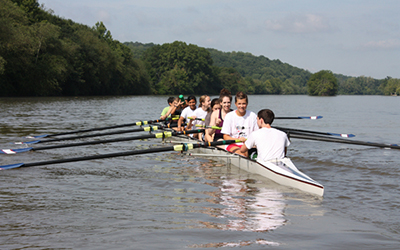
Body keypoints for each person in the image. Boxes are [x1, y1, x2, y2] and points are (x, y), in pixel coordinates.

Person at [220, 91, 258, 156]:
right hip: (233, 144)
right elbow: (225, 136)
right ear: (235, 104)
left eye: (244, 104)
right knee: (243, 153)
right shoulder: (229, 116)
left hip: (249, 145)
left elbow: (257, 134)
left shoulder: (253, 115)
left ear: (247, 103)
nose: (241, 106)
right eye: (239, 104)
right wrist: (238, 139)